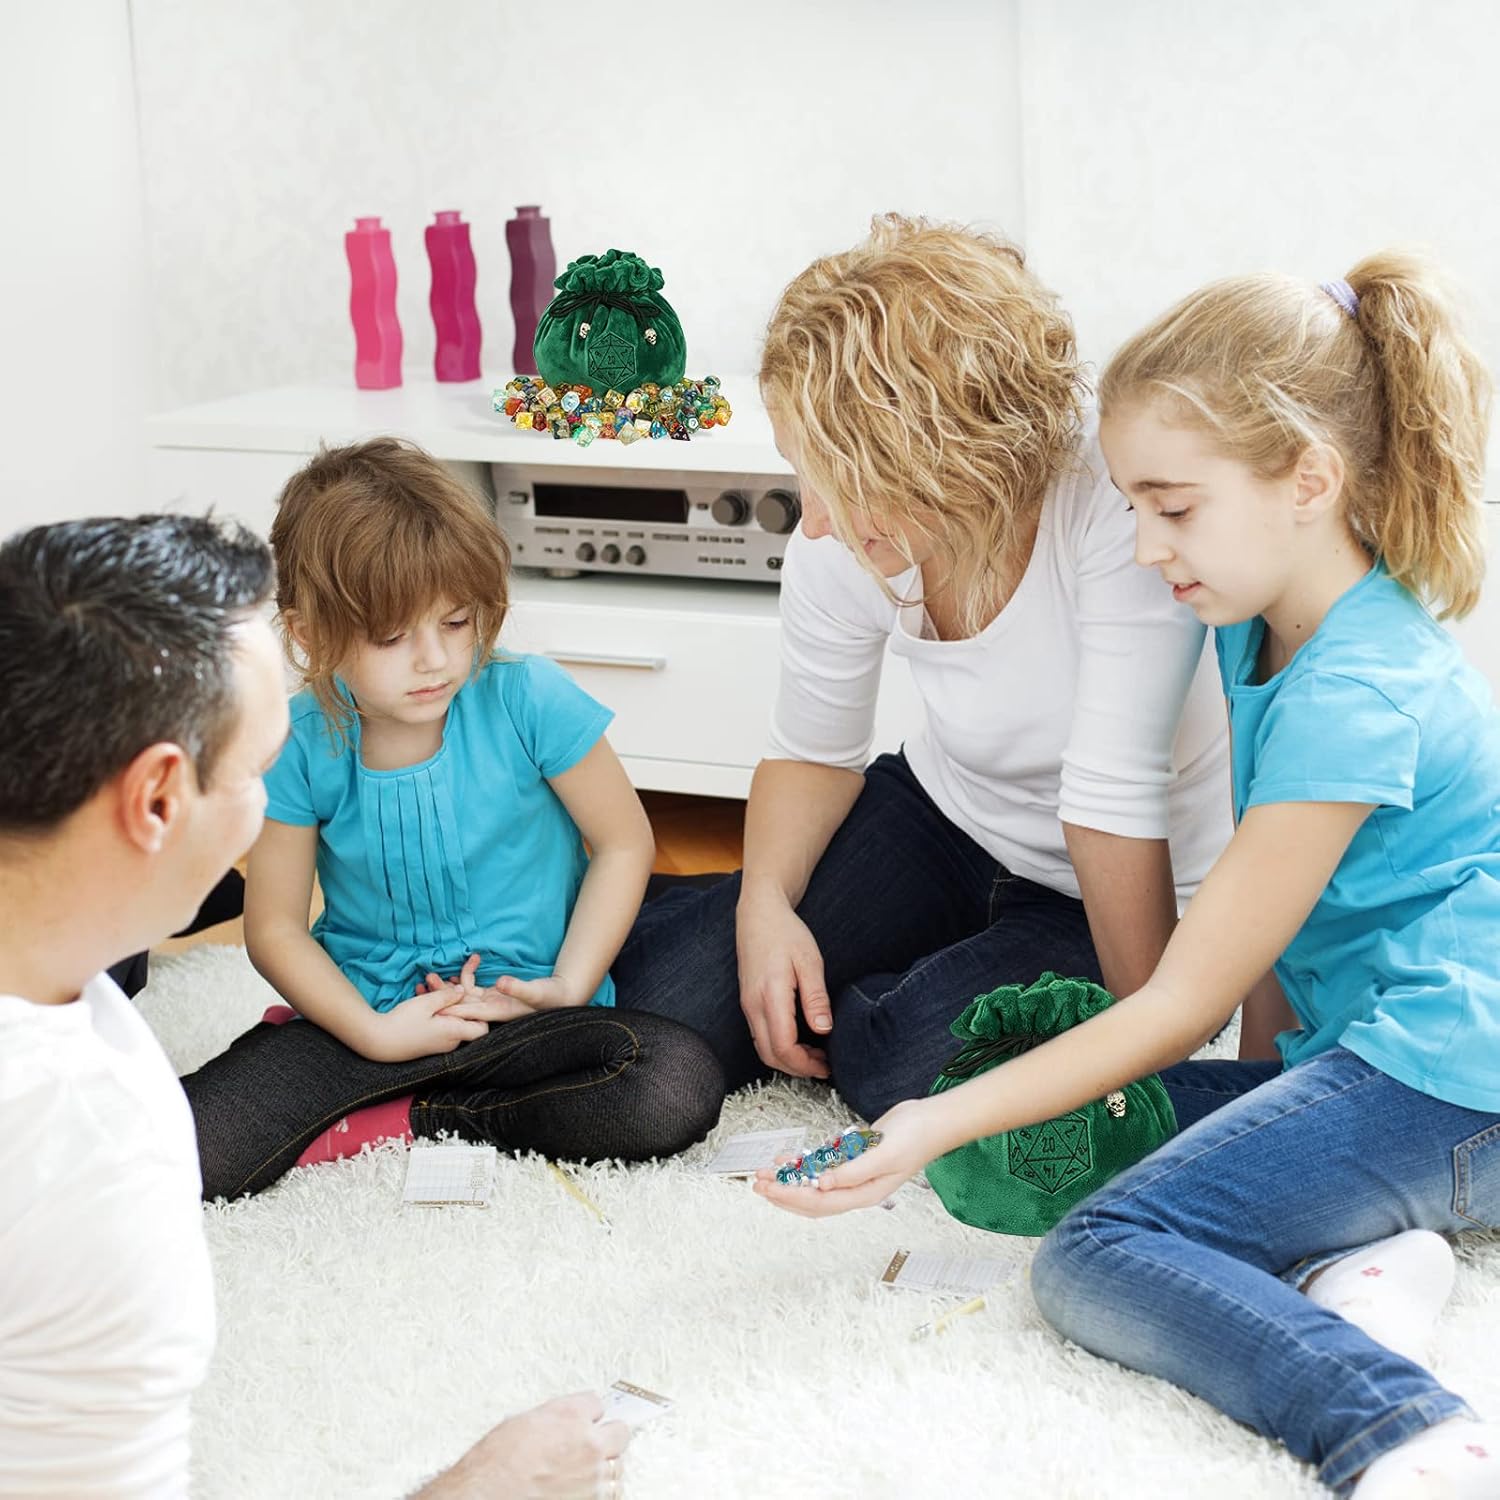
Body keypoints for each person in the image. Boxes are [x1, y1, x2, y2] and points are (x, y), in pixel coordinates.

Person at [755, 254, 1500, 1497]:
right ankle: (1367, 1247)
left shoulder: (1359, 692)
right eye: (1136, 508)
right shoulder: (1270, 630)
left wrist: (930, 1121)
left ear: (1310, 480)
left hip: (1451, 1080)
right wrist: (1264, 1106)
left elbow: (1174, 1001)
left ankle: (1402, 1424)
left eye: (1174, 508)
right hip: (1384, 1055)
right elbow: (1282, 940)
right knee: (1085, 1134)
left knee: (1096, 1251)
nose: (1146, 547)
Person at [0, 514, 630, 1497]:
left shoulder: (83, 1021)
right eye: (255, 771)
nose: (271, 801)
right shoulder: (91, 1155)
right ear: (158, 797)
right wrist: (485, 1483)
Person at [614, 215, 1232, 1121]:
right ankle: (711, 915)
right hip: (948, 814)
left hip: (1108, 883)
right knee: (667, 1009)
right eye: (801, 471)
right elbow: (812, 754)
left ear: (941, 458)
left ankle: (905, 976)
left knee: (897, 1067)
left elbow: (1112, 796)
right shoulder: (837, 541)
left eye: (840, 478)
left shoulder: (1111, 511)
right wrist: (765, 905)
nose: (814, 518)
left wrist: (1150, 1037)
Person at [180, 438, 723, 1201]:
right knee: (180, 1152)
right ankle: (399, 1091)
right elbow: (274, 929)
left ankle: (427, 1115)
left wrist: (567, 984)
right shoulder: (296, 743)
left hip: (527, 1015)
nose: (433, 659)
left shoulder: (528, 696)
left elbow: (623, 842)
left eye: (457, 622)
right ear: (308, 635)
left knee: (670, 1084)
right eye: (391, 637)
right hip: (370, 1022)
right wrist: (374, 1033)